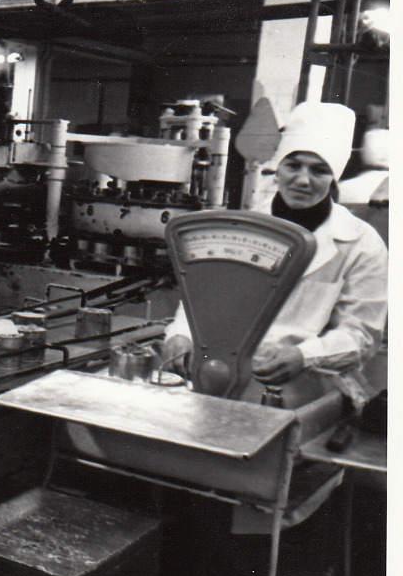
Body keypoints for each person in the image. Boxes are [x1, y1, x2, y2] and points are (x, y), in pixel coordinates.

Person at [164, 101, 387, 412]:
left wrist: (305, 356)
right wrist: (180, 335)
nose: (303, 180)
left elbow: (361, 335)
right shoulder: (240, 227)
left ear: (334, 177)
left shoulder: (362, 244)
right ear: (278, 167)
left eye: (319, 170)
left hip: (304, 394)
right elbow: (202, 297)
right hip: (219, 380)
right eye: (293, 166)